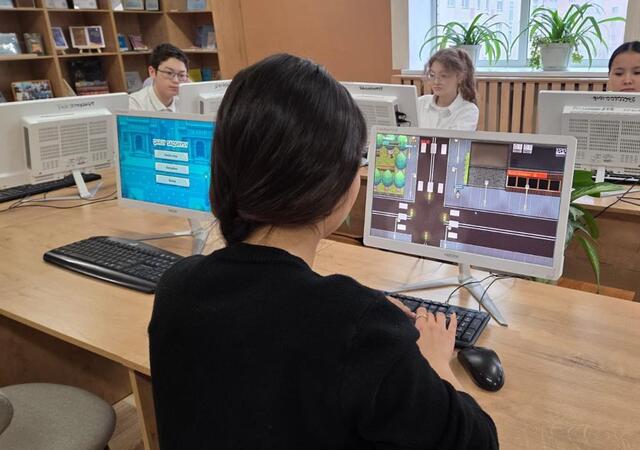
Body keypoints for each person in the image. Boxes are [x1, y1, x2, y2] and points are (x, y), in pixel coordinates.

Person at [149, 53, 499, 449]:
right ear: (340, 184)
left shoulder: (177, 286)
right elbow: (478, 443)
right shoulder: (360, 330)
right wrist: (434, 362)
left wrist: (373, 322)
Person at [417, 47, 480, 130]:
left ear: (460, 77)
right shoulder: (420, 103)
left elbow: (455, 137)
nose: (436, 81)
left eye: (443, 76)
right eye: (432, 75)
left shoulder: (468, 110)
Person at [129, 43, 189, 112]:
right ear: (152, 72)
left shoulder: (186, 101)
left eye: (181, 75)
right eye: (169, 73)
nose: (176, 80)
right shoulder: (134, 104)